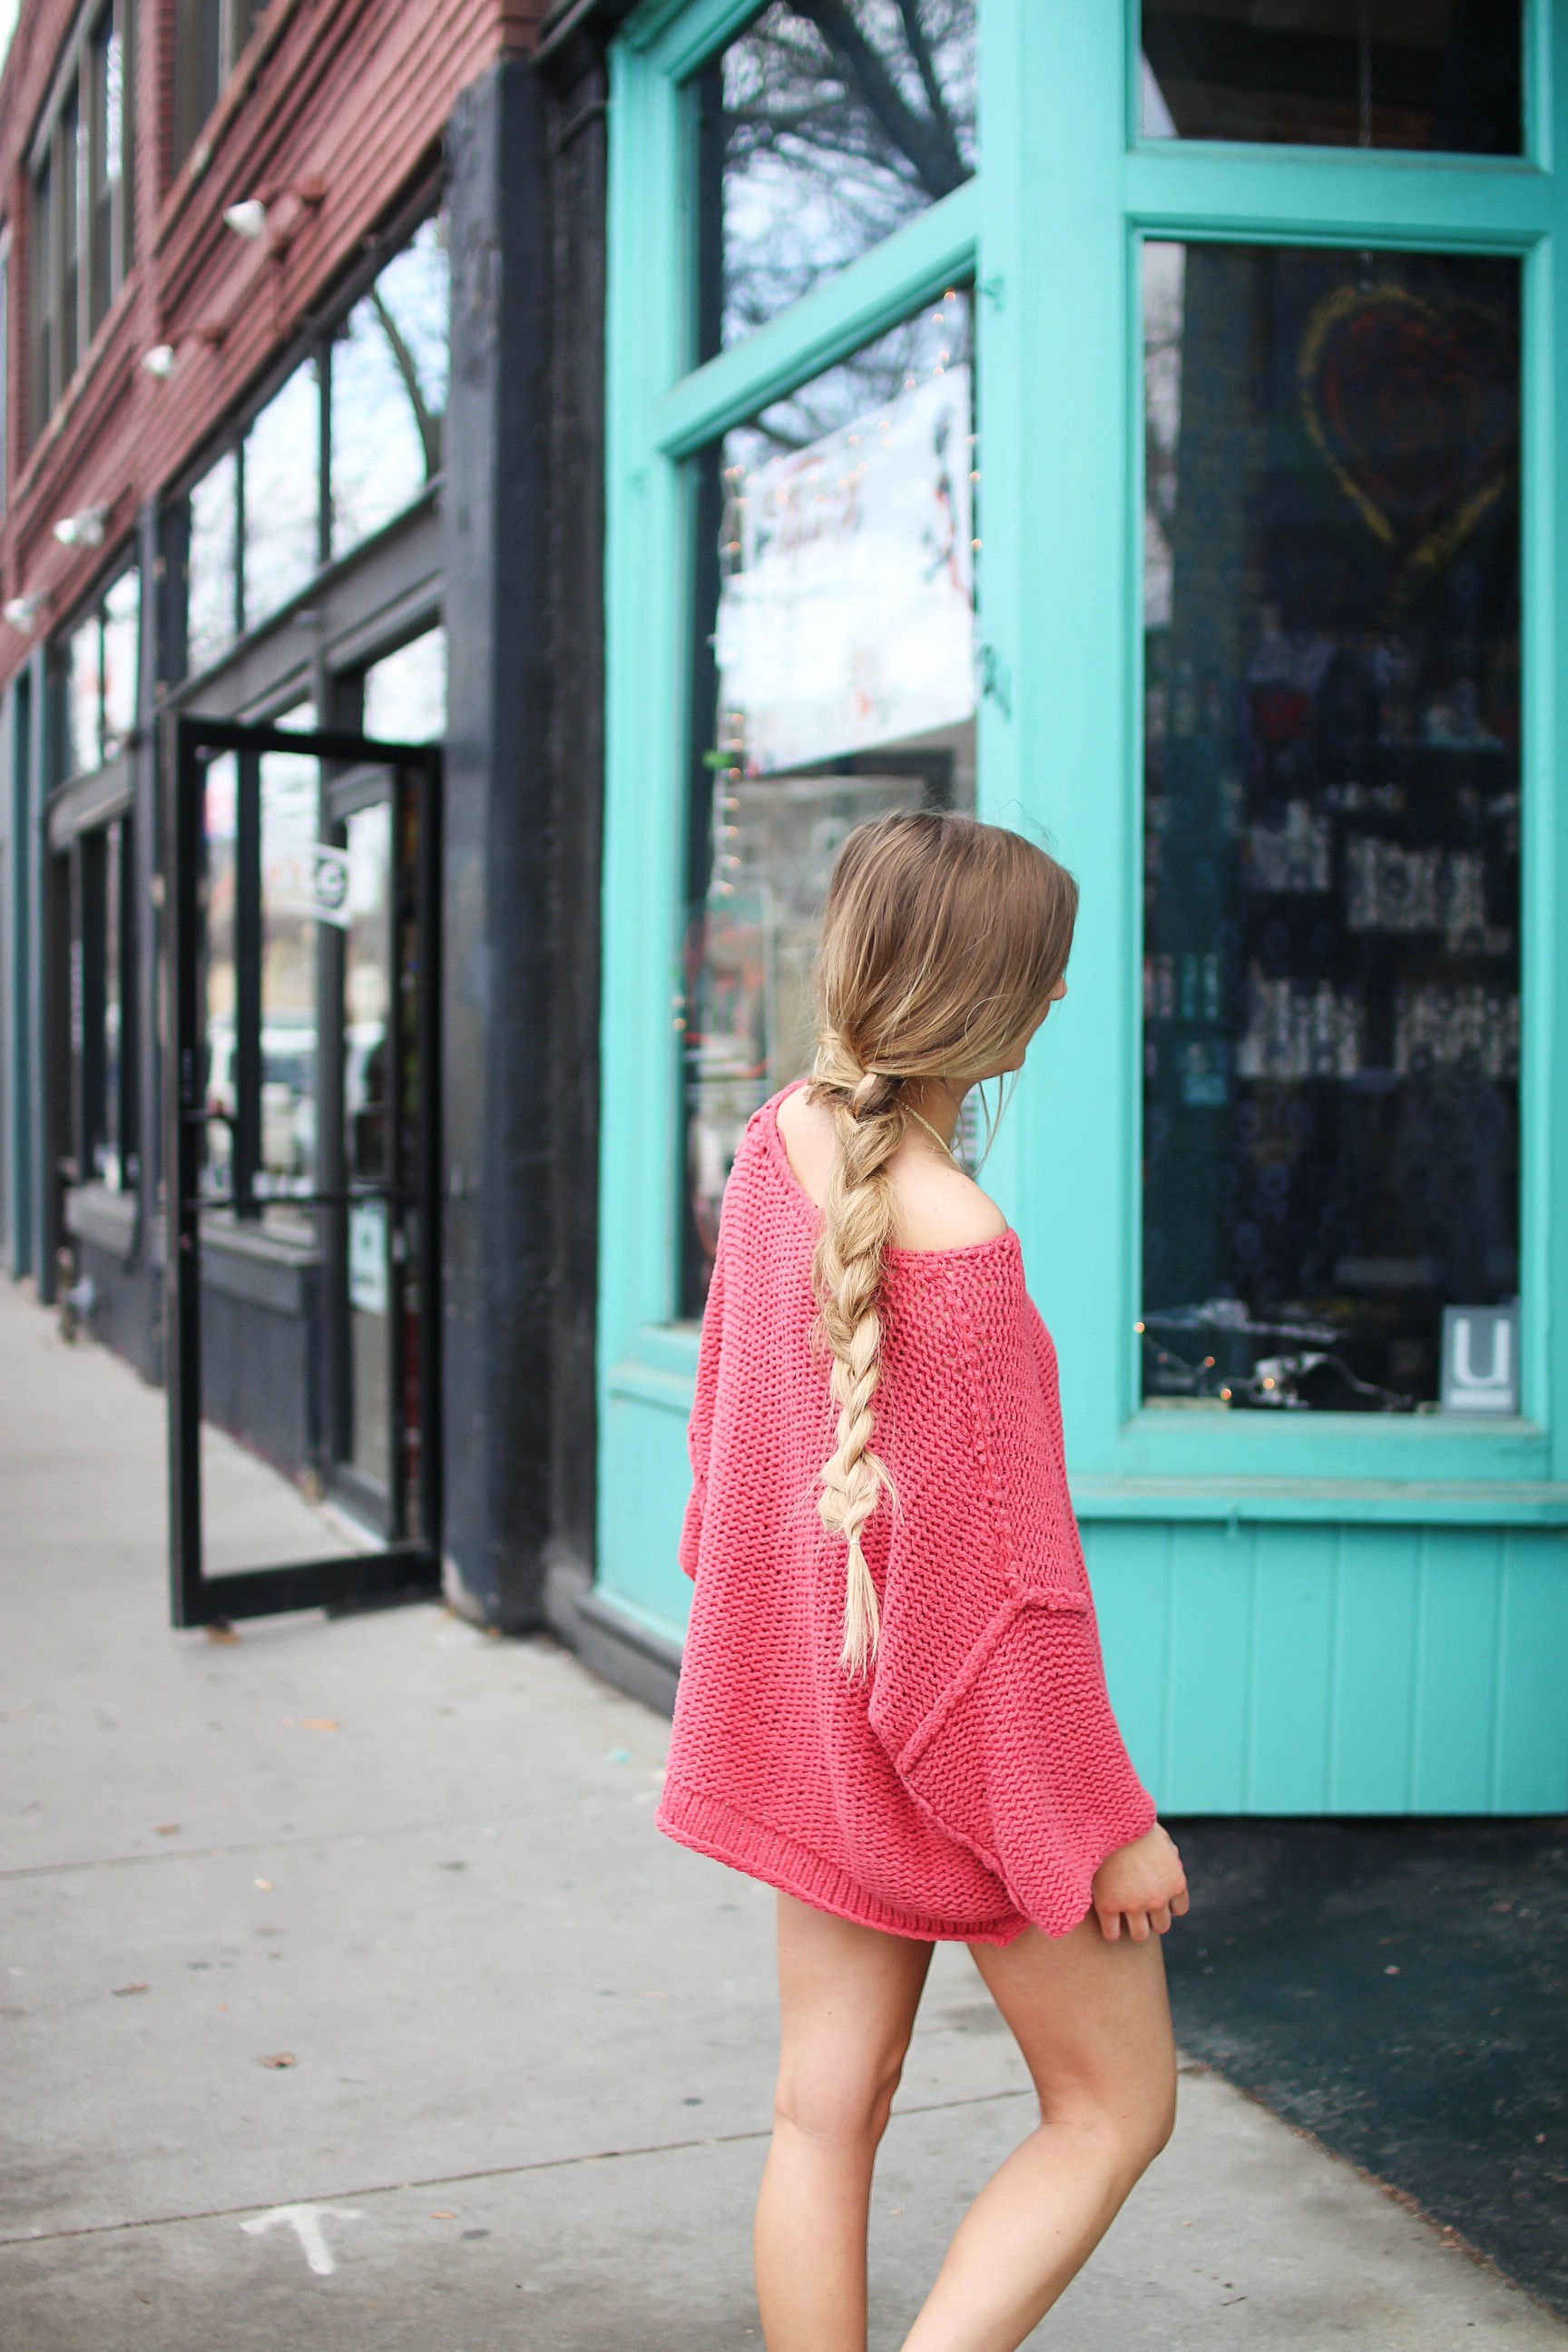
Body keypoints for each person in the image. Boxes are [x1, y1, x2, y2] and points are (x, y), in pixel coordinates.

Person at [658, 809, 1189, 2352]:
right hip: (952, 1755)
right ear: (991, 1001)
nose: (1064, 1001)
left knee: (820, 2115)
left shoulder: (776, 1141)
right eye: (1050, 973)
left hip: (812, 1717)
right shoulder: (964, 1252)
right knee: (1116, 2107)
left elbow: (728, 1429)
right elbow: (1004, 1614)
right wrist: (1108, 1829)